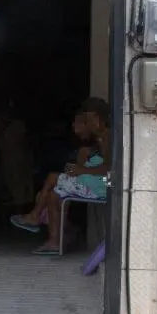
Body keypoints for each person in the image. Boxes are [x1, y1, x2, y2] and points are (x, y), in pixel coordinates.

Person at [33, 98, 112, 255]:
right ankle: (54, 233)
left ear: (97, 119)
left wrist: (81, 170)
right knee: (54, 188)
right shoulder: (100, 138)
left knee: (54, 193)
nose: (88, 124)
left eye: (89, 120)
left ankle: (52, 237)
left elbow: (108, 169)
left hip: (101, 186)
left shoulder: (107, 137)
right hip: (95, 182)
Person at [9, 107, 93, 234]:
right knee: (48, 191)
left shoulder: (86, 147)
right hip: (86, 183)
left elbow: (79, 171)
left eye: (77, 122)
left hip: (91, 185)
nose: (73, 125)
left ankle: (36, 217)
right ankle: (55, 228)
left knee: (52, 184)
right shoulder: (81, 144)